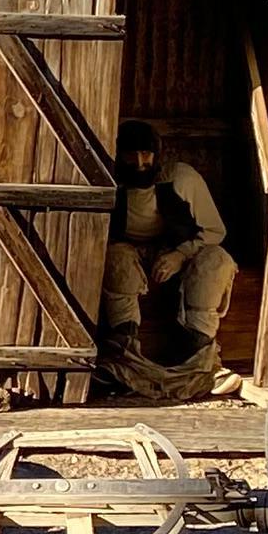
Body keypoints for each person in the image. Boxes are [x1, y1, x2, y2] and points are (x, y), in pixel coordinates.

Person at [102, 118, 237, 389]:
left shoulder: (181, 180)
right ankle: (126, 356)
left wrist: (180, 254)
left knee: (216, 262)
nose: (139, 163)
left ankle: (197, 358)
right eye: (130, 155)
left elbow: (214, 231)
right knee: (118, 264)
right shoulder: (107, 182)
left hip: (178, 251)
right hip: (127, 251)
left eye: (146, 154)